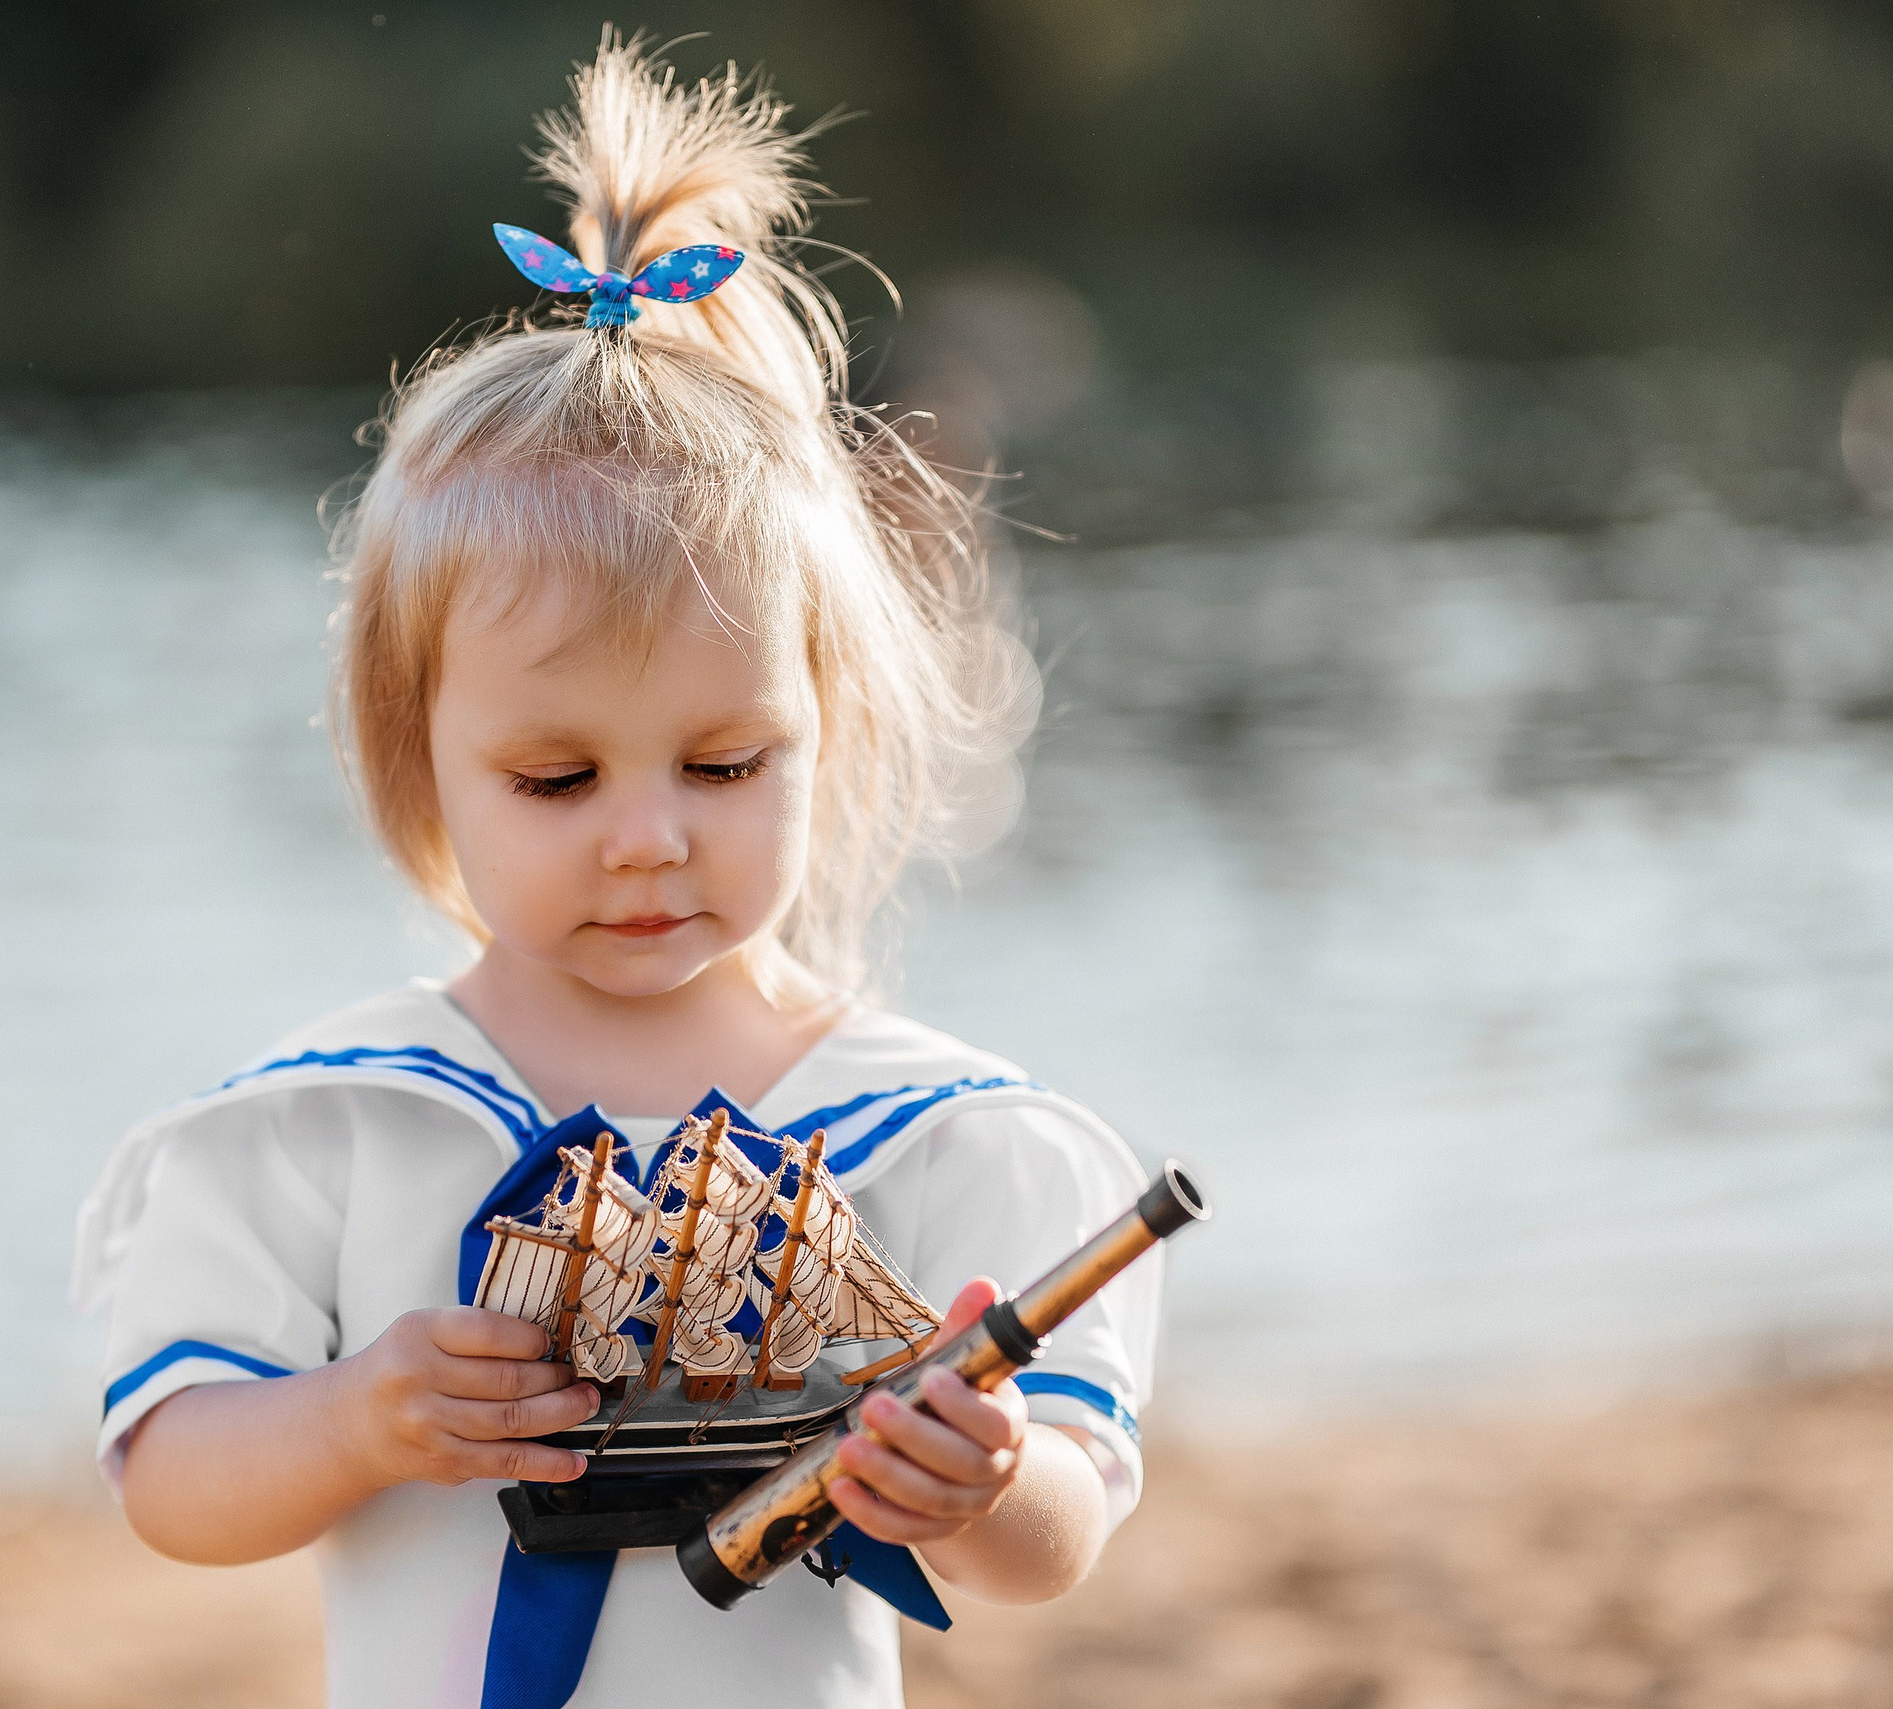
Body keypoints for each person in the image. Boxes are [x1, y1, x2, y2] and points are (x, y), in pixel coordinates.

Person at [73, 35, 1165, 1709]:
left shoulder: (922, 1127)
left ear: (830, 719)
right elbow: (171, 1476)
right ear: (411, 753)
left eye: (727, 764)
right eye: (558, 775)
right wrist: (358, 1415)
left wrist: (991, 1476)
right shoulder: (354, 1118)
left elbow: (1058, 1530)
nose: (649, 834)